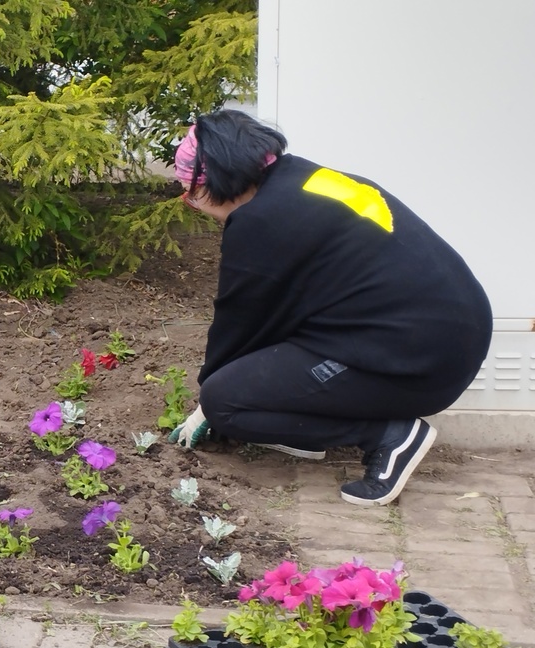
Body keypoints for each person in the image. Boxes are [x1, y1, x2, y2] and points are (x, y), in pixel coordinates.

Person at [167, 109, 491, 506]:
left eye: (190, 192)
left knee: (225, 401)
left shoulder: (260, 220)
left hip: (417, 360)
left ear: (214, 183)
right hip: (448, 335)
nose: (193, 204)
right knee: (242, 385)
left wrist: (211, 406)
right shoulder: (306, 179)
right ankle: (299, 434)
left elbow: (239, 322)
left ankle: (390, 435)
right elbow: (276, 312)